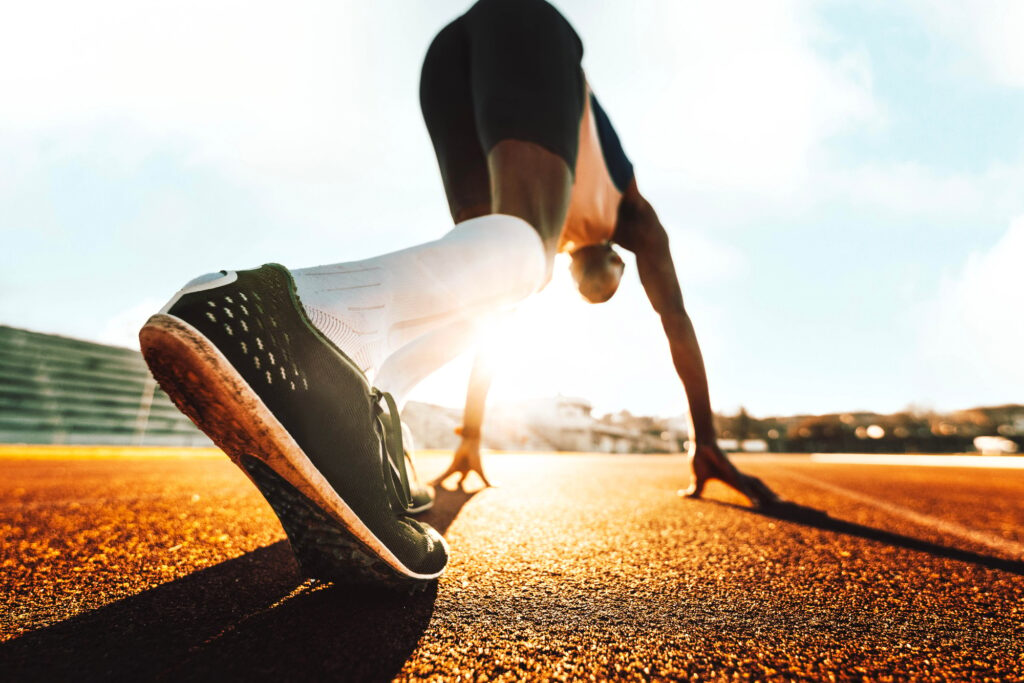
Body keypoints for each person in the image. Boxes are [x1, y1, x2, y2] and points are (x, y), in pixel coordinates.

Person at [139, 0, 773, 588]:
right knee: (525, 260)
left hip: (450, 60)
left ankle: (374, 395)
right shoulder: (636, 220)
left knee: (490, 285)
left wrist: (470, 433)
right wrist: (707, 440)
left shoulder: (536, 238)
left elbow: (491, 332)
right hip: (526, 27)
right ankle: (297, 311)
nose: (585, 286)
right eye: (597, 288)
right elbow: (678, 326)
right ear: (615, 266)